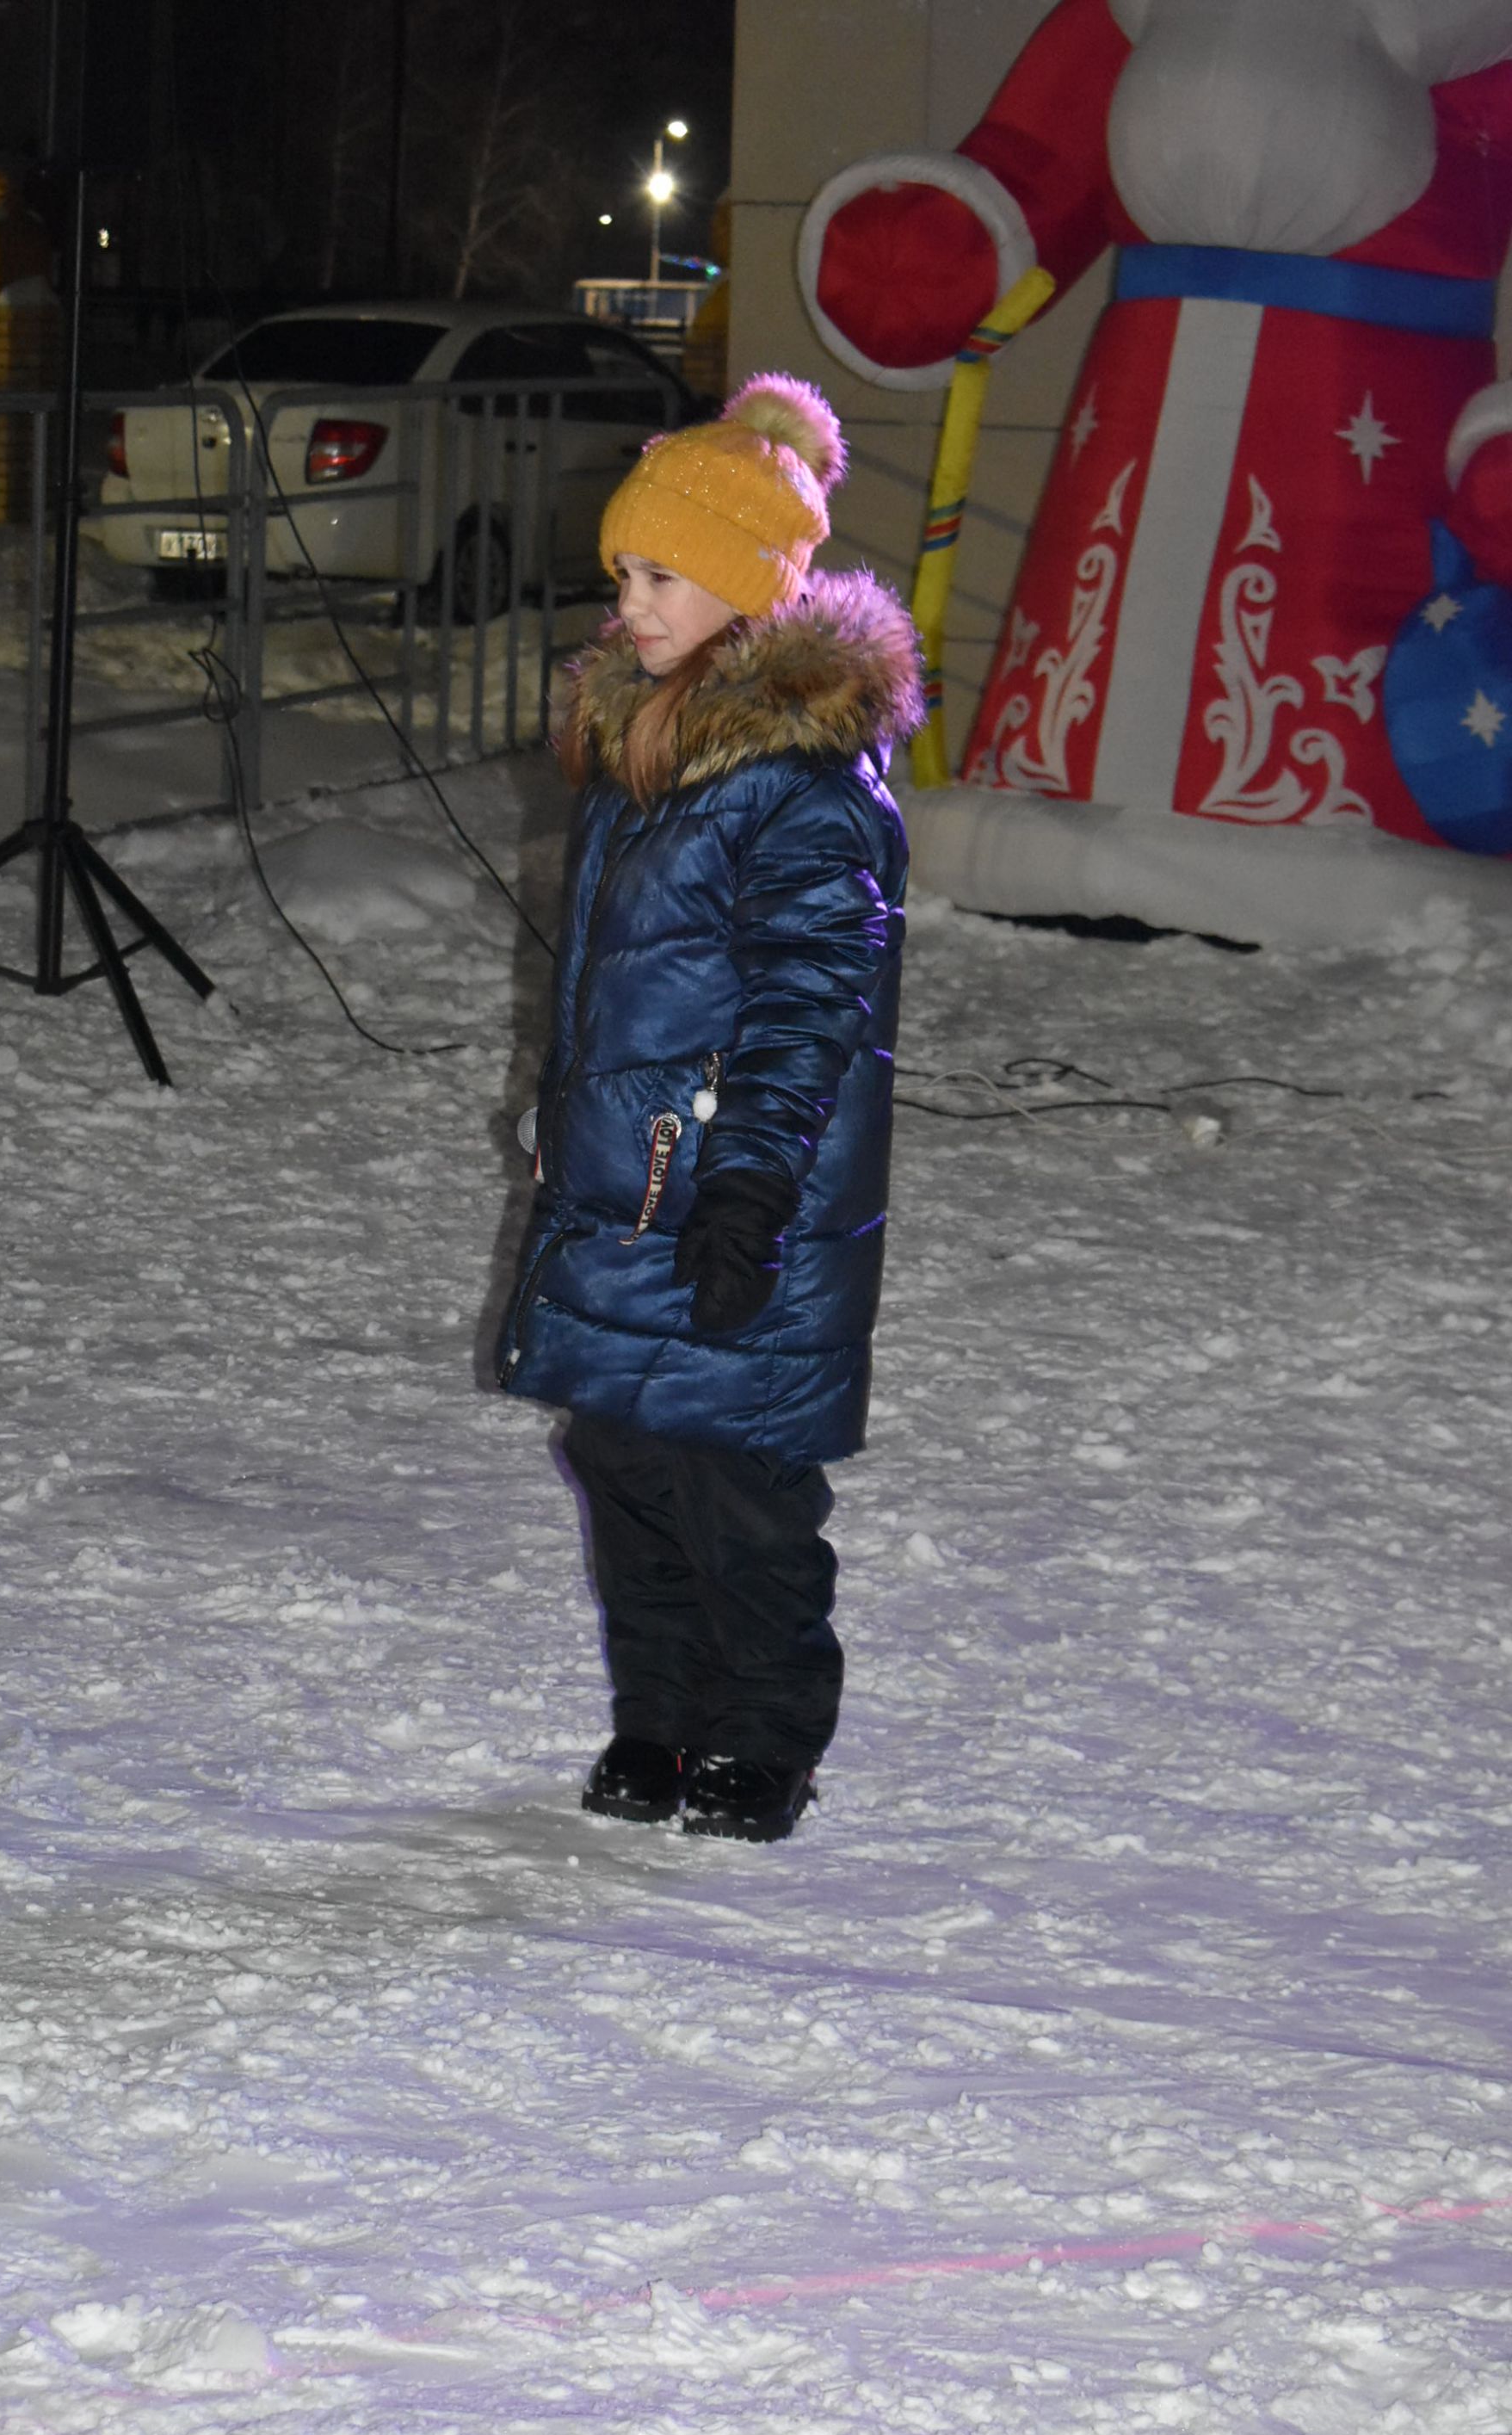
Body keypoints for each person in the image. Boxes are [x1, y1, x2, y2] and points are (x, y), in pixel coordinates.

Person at [497, 374, 923, 1843]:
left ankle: (767, 1738)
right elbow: (610, 989)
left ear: (746, 588)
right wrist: (569, 1124)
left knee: (737, 1476)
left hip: (751, 1193)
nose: (630, 603)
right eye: (622, 571)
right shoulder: (645, 750)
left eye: (661, 574)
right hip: (628, 1184)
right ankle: (662, 1720)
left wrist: (750, 1189)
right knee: (622, 1455)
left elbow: (813, 1006)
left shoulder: (800, 784)